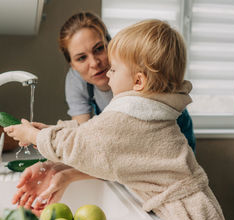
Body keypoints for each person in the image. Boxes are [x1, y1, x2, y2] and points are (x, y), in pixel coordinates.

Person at [4, 19, 229, 220]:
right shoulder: (144, 105)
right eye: (81, 58)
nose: (105, 69)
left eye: (114, 68)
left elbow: (86, 143)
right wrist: (50, 132)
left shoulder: (132, 112)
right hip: (196, 212)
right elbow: (92, 133)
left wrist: (33, 137)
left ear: (139, 82)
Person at [60, 12, 195, 151]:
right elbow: (83, 135)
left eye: (99, 48)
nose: (94, 63)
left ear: (110, 43)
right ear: (72, 65)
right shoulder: (76, 80)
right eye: (81, 58)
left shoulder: (135, 65)